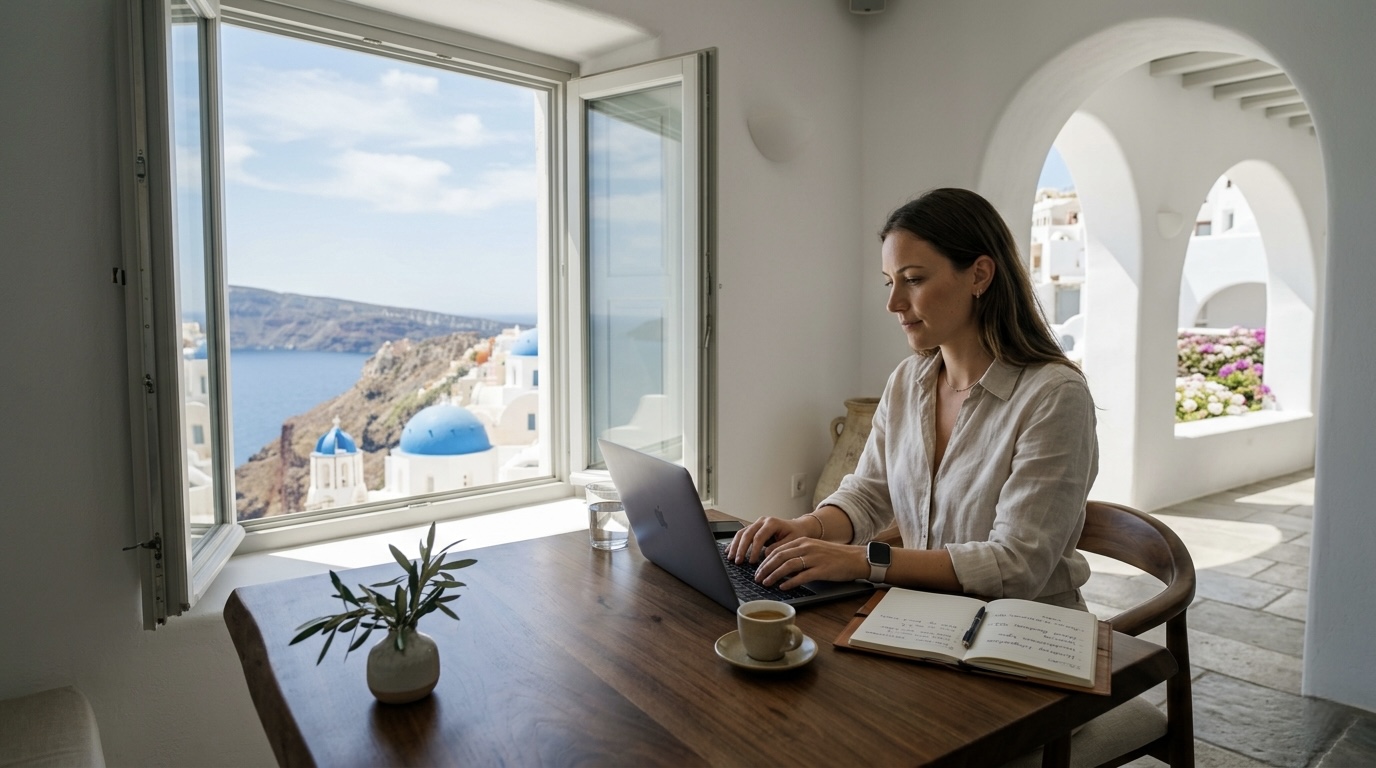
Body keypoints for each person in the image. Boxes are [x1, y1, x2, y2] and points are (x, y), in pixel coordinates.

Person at [726, 188, 1098, 609]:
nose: (893, 303)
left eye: (914, 279)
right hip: (923, 617)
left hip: (1020, 636)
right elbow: (867, 494)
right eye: (889, 282)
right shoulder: (908, 381)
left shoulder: (1054, 396)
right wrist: (806, 527)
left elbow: (1016, 567)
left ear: (979, 275)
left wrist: (861, 561)